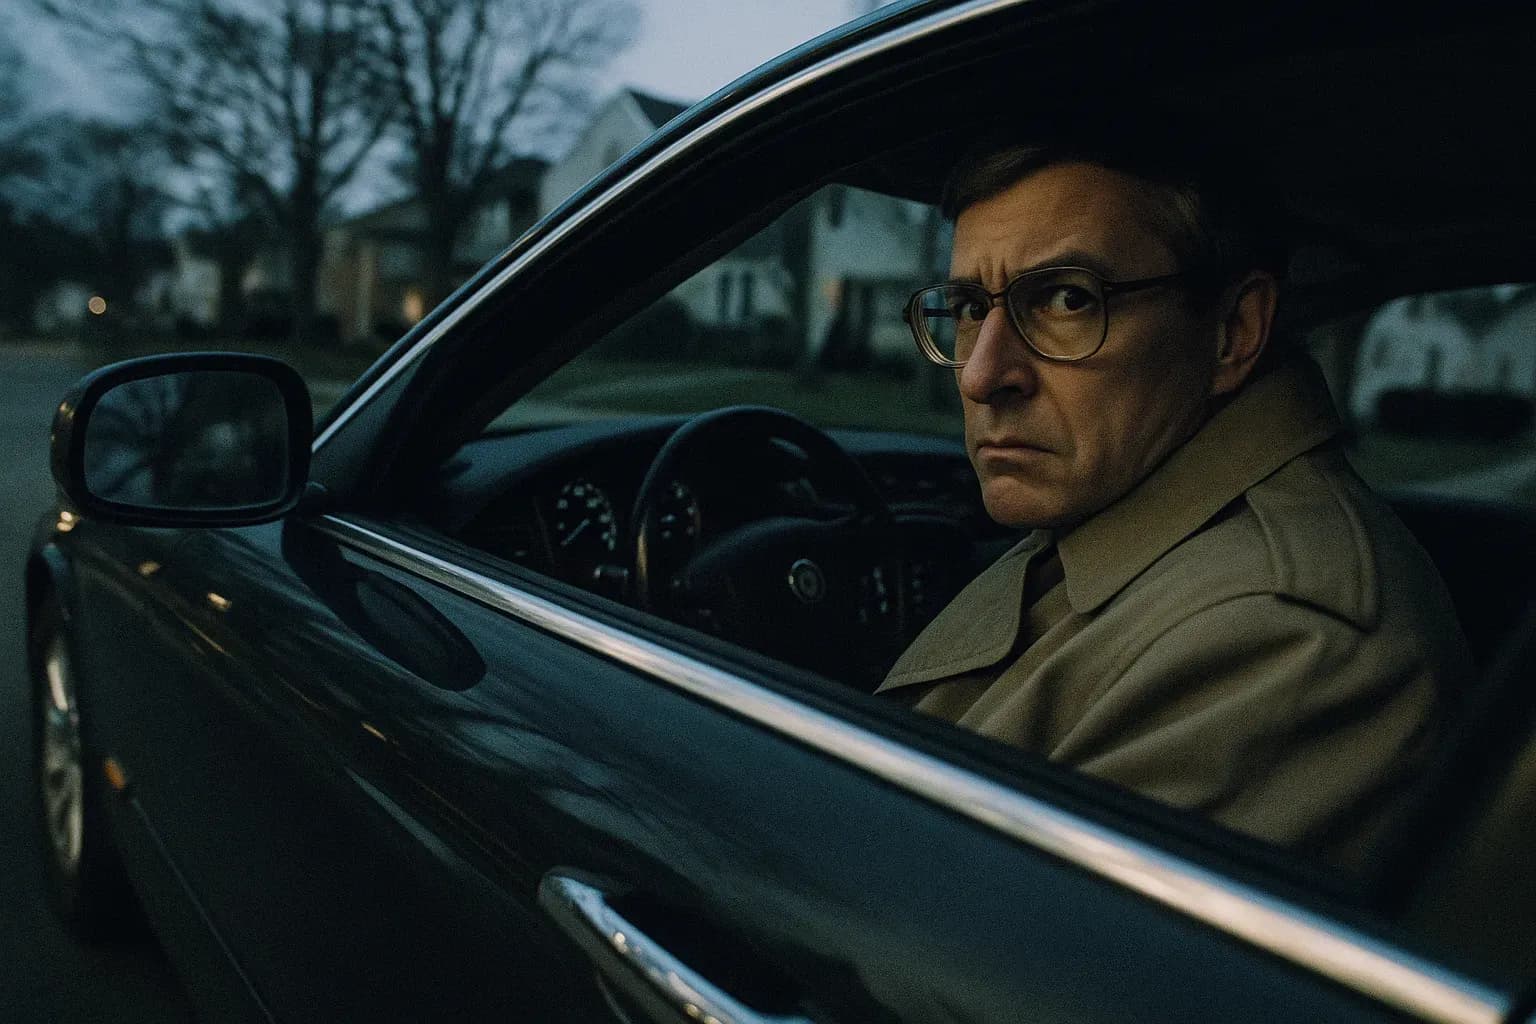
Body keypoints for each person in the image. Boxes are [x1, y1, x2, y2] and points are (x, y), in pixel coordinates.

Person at [877, 128, 1471, 872]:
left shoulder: (1288, 642)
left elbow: (962, 958)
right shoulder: (1121, 500)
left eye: (1066, 298)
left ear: (1233, 332)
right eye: (968, 306)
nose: (981, 375)